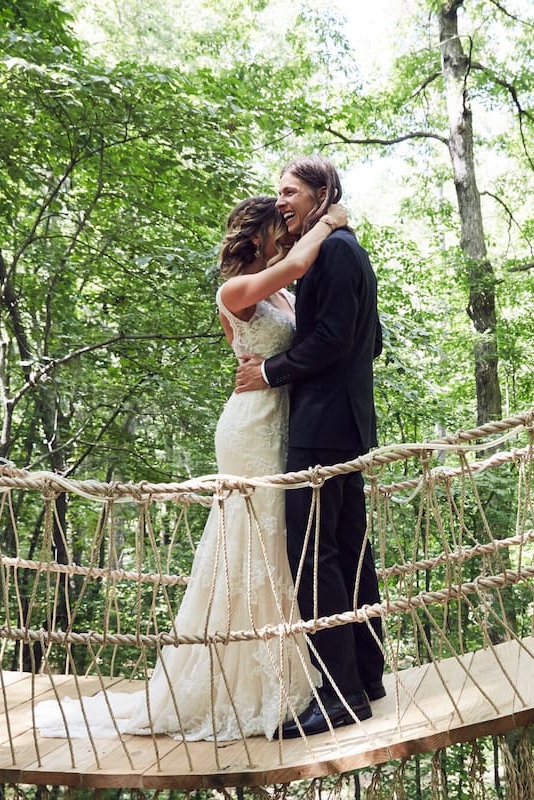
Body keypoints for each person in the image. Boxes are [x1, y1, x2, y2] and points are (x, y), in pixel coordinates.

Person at [34, 195, 347, 741]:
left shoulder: (282, 291)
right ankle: (241, 683)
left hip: (282, 418)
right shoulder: (235, 290)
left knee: (278, 544)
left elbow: (302, 331)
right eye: (281, 229)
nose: (288, 236)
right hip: (250, 427)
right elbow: (299, 263)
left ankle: (286, 670)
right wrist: (330, 222)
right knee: (252, 542)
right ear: (260, 238)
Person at [235, 156, 385, 738]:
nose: (281, 202)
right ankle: (366, 676)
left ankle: (342, 694)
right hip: (344, 422)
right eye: (278, 192)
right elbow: (369, 343)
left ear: (324, 195)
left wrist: (272, 372)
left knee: (312, 556)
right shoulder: (338, 250)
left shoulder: (338, 251)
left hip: (323, 427)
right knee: (348, 550)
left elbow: (334, 337)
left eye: (291, 191)